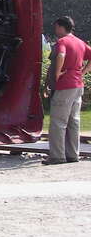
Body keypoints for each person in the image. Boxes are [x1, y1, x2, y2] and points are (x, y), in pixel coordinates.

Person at [44, 16, 91, 165]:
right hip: (78, 85)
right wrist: (83, 72)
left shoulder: (62, 42)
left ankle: (57, 156)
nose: (55, 30)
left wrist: (57, 73)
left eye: (56, 27)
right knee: (74, 122)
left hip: (65, 86)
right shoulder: (80, 42)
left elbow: (61, 54)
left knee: (58, 122)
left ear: (61, 27)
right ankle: (73, 154)